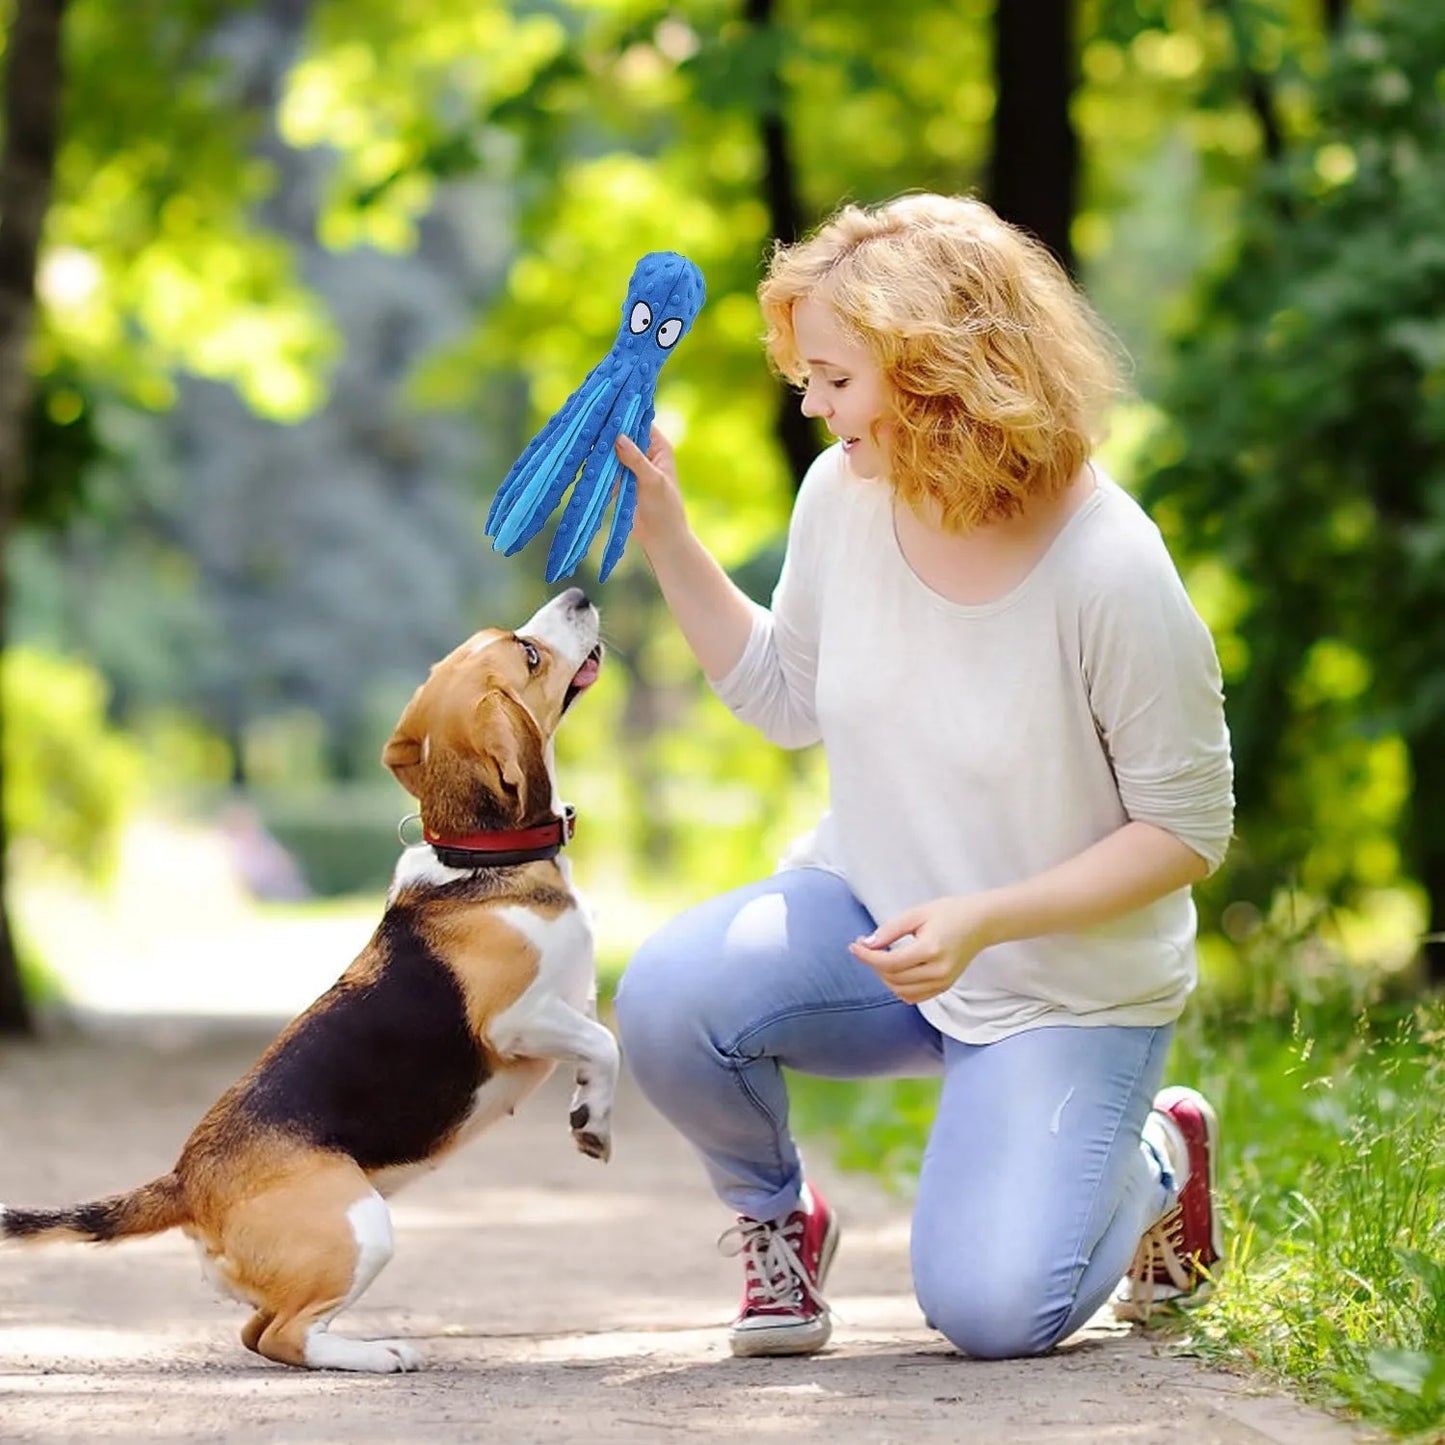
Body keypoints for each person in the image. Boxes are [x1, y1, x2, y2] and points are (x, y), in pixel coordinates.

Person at [610, 193, 1235, 1361]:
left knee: (993, 1312)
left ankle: (1156, 1154)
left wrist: (984, 918)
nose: (810, 404)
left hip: (1059, 982)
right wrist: (665, 531)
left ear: (936, 376)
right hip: (875, 922)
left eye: (834, 378)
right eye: (806, 375)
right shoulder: (842, 496)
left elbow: (1186, 830)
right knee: (665, 998)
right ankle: (777, 1221)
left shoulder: (1110, 568)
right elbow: (783, 696)